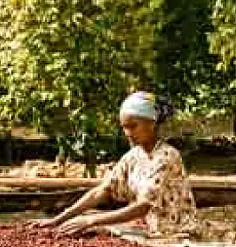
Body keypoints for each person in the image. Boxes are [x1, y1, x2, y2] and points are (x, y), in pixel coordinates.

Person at [34, 92, 200, 238]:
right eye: (124, 128)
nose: (128, 133)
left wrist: (91, 220)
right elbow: (102, 190)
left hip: (175, 231)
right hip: (146, 230)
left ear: (151, 123)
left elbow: (143, 206)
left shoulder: (166, 157)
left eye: (133, 126)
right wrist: (58, 219)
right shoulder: (133, 157)